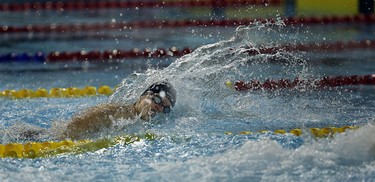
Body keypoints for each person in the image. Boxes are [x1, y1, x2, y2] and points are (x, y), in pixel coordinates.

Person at [16, 81, 177, 141]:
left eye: (165, 108)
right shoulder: (120, 113)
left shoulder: (135, 120)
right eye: (157, 100)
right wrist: (66, 144)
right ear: (144, 96)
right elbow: (76, 124)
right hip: (41, 139)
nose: (159, 108)